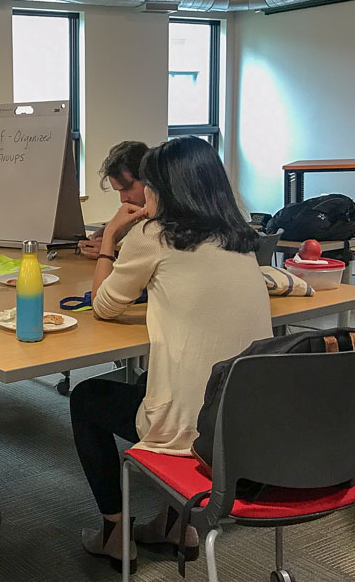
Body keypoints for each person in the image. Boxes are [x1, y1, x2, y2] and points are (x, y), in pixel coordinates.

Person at [70, 137, 272, 572]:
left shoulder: (152, 235)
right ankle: (176, 524)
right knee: (154, 379)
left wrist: (109, 237)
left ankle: (114, 533)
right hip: (247, 426)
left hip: (193, 432)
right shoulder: (239, 239)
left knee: (86, 398)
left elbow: (104, 305)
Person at [78, 141, 149, 259]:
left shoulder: (170, 215)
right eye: (119, 191)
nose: (123, 199)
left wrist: (109, 253)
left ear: (149, 178)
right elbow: (127, 223)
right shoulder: (140, 207)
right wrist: (100, 239)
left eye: (127, 188)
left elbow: (149, 259)